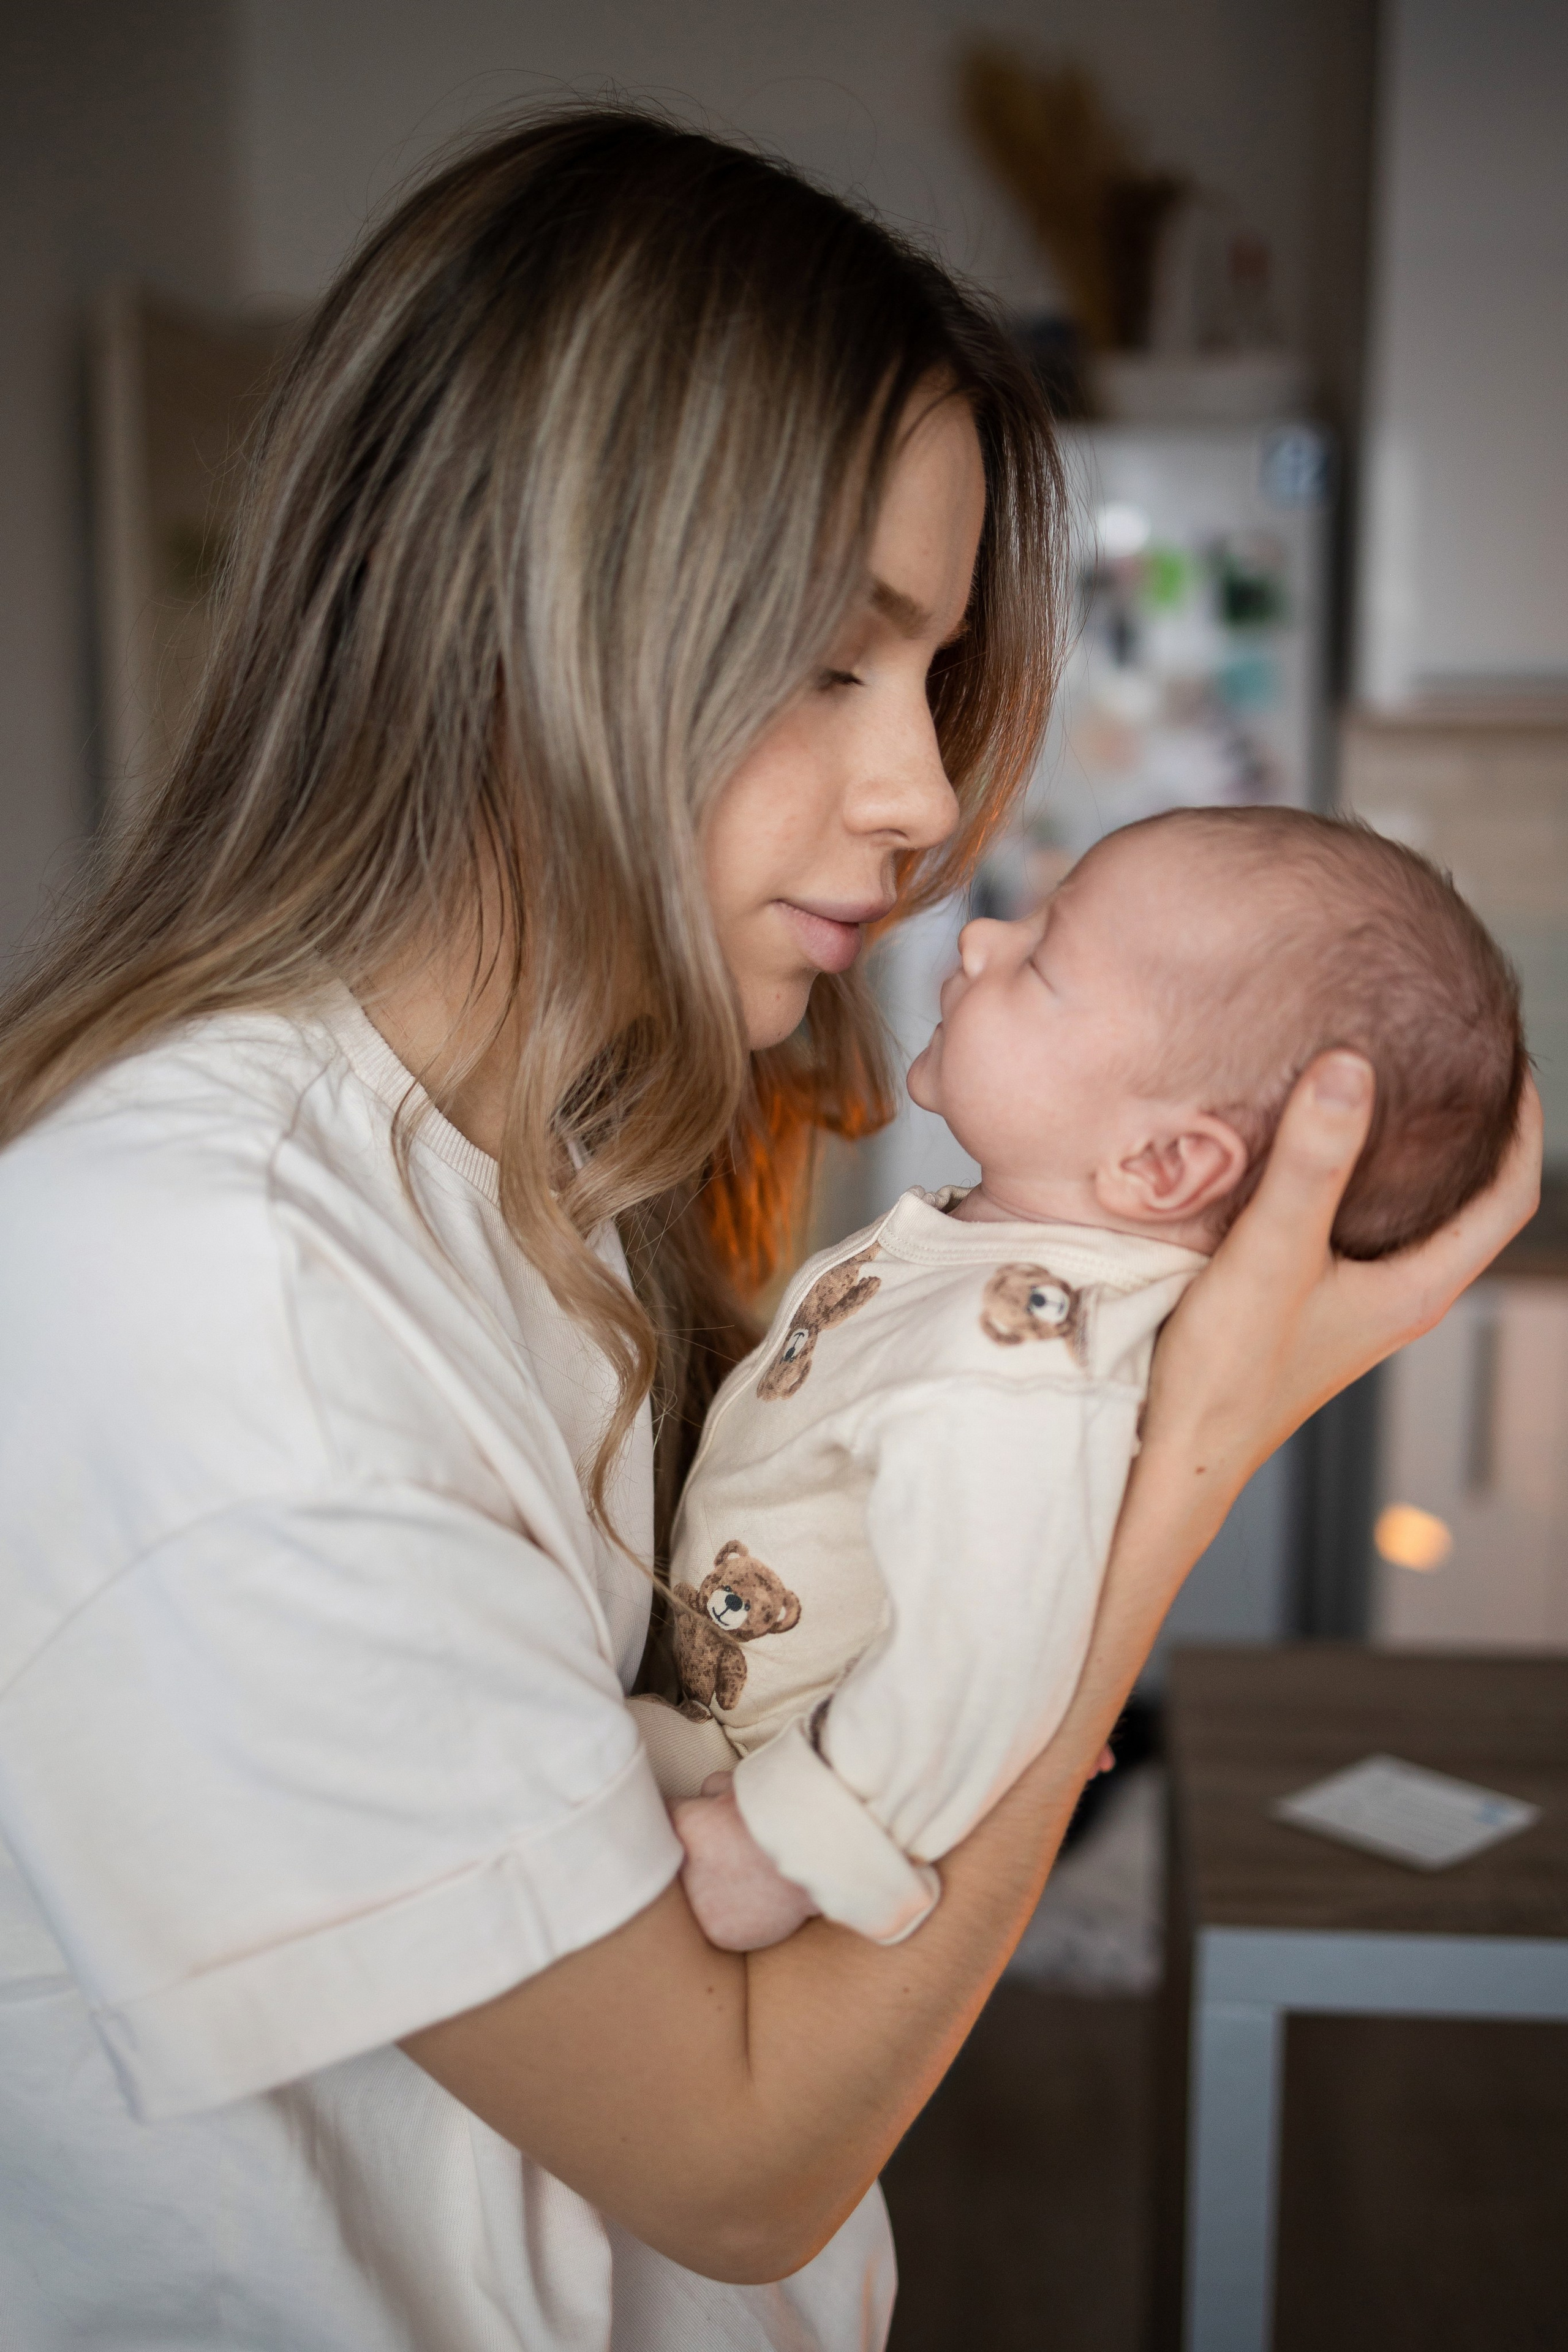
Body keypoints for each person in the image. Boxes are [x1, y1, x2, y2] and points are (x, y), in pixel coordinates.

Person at [0, 107, 1539, 2352]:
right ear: (529, 613)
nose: (924, 808)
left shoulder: (550, 1159)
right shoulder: (214, 1289)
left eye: (927, 681)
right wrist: (1186, 1457)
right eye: (837, 655)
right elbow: (732, 2166)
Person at [644, 807, 1528, 1951]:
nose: (979, 942)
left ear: (1163, 1164)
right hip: (710, 1713)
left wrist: (781, 1852)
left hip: (757, 1795)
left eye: (1042, 961)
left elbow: (981, 1666)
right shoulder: (992, 1267)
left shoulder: (1023, 1364)